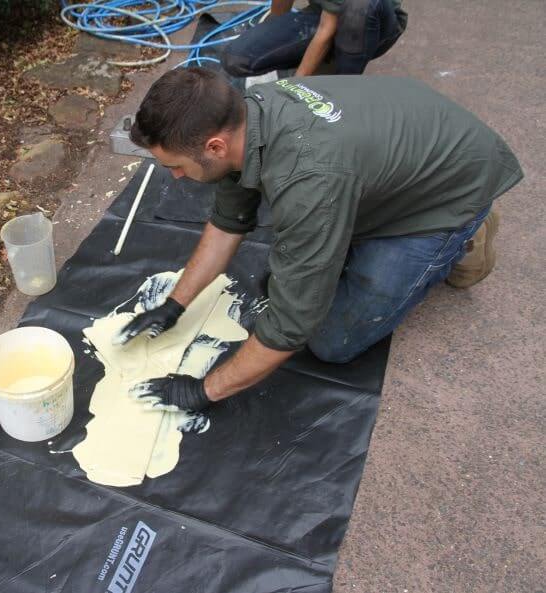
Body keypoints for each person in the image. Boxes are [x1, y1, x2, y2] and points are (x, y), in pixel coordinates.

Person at [116, 68, 523, 412]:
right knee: (283, 280)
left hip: (451, 187)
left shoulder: (309, 179)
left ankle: (465, 233)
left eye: (176, 166)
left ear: (215, 146)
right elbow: (229, 220)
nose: (176, 177)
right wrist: (175, 303)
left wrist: (204, 390)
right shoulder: (250, 112)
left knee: (330, 341)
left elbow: (291, 326)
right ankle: (379, 208)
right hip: (393, 151)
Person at [221, 0, 408, 77]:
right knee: (237, 59)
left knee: (359, 7)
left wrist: (293, 89)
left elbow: (326, 30)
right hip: (323, 14)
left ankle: (344, 91)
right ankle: (328, 64)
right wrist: (272, 31)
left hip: (374, 21)